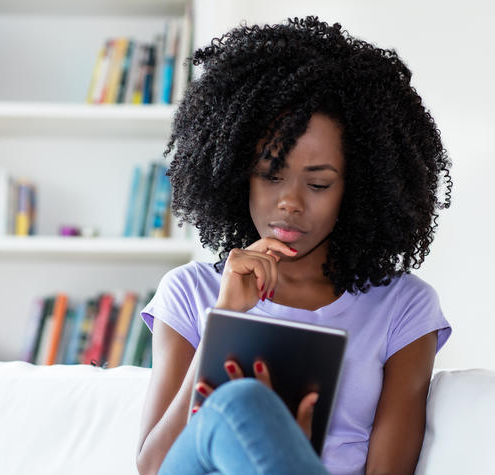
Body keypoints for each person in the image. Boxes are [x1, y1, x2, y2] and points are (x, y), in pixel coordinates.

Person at [135, 16, 453, 475]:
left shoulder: (403, 307)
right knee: (240, 402)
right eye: (270, 175)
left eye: (319, 184)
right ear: (236, 173)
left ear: (358, 189)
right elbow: (153, 467)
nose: (290, 203)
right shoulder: (189, 291)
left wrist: (290, 455)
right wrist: (224, 323)